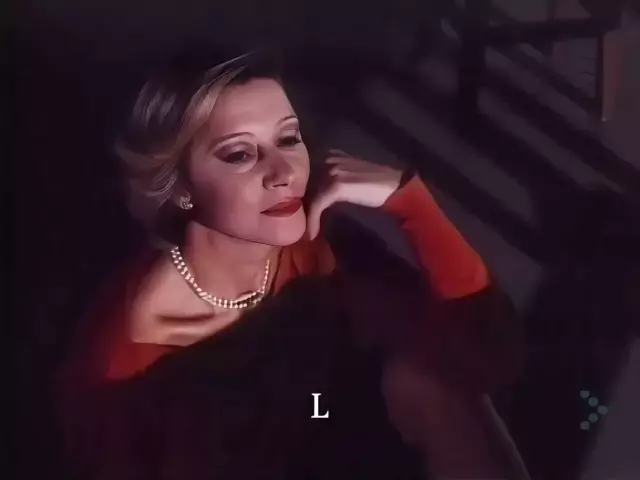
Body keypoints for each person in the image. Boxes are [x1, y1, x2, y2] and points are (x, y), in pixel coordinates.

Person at [55, 48, 526, 480]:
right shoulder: (125, 368)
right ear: (180, 189)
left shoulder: (312, 245)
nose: (284, 172)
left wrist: (411, 202)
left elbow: (485, 357)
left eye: (288, 138)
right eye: (240, 154)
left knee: (430, 380)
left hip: (327, 428)